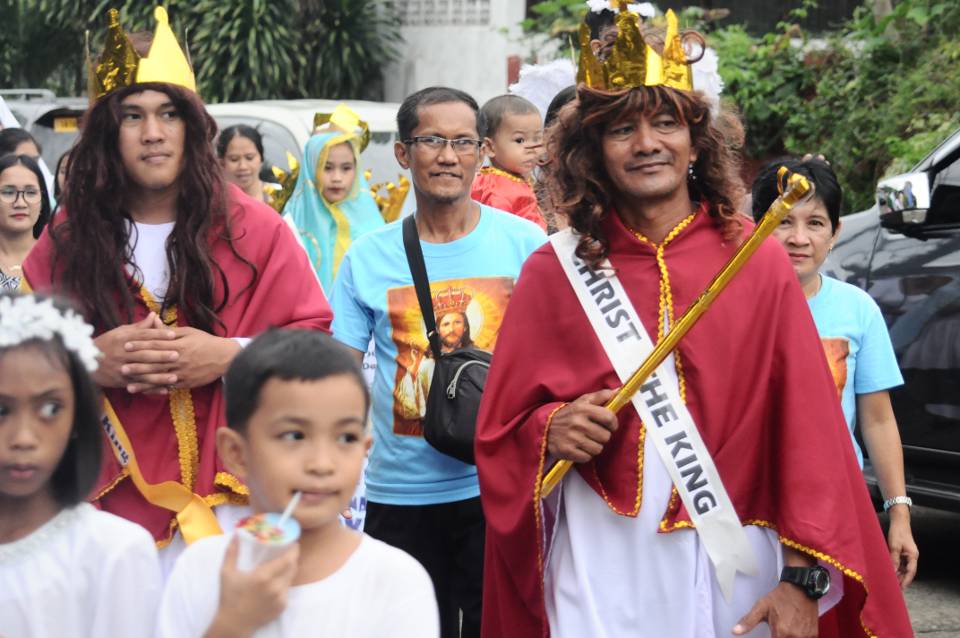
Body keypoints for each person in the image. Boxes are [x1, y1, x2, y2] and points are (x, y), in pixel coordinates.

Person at [475, 8, 912, 638]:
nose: (647, 143)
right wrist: (551, 427)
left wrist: (802, 581)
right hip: (601, 558)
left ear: (695, 136)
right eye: (622, 128)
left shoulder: (755, 259)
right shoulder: (554, 271)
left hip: (740, 554)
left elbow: (804, 428)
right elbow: (500, 431)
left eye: (665, 123)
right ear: (592, 148)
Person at [21, 7, 332, 566]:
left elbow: (317, 347)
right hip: (104, 506)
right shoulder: (69, 238)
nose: (154, 134)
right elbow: (18, 359)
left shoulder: (254, 228)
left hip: (235, 504)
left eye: (169, 113)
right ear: (106, 133)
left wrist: (228, 355)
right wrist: (87, 359)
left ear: (192, 125)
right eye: (132, 116)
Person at [330, 86, 546, 638]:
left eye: (462, 142)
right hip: (398, 493)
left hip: (497, 485)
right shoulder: (369, 256)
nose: (448, 156)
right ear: (404, 153)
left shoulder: (526, 244)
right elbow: (339, 372)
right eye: (431, 140)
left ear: (482, 152)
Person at [156, 329, 439, 637]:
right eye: (294, 436)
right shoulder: (201, 569)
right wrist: (232, 623)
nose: (321, 463)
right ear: (236, 453)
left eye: (346, 438)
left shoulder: (396, 582)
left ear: (364, 449)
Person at [751, 157, 919, 588]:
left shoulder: (856, 309)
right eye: (783, 221)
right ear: (756, 226)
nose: (799, 238)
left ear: (836, 233)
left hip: (833, 508)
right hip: (745, 511)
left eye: (816, 223)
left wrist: (899, 513)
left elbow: (878, 419)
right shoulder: (725, 306)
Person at [0, 292, 162, 636]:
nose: (23, 438)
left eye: (50, 409)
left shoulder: (112, 553)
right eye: (1, 411)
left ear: (79, 415)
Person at [282, 104, 385, 294]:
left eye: (346, 168)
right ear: (311, 168)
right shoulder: (292, 223)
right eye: (327, 168)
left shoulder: (372, 224)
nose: (337, 178)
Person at [470, 94, 546, 230]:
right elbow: (498, 232)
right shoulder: (496, 189)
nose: (531, 149)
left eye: (536, 139)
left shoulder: (515, 180)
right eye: (519, 140)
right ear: (490, 147)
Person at [0, 155, 51, 290]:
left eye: (30, 192)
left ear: (43, 200)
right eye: (8, 192)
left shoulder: (60, 258)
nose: (20, 203)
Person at [216, 124, 278, 204]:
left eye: (249, 158)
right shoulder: (214, 203)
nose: (243, 166)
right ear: (221, 163)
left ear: (261, 159)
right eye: (234, 159)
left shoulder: (283, 197)